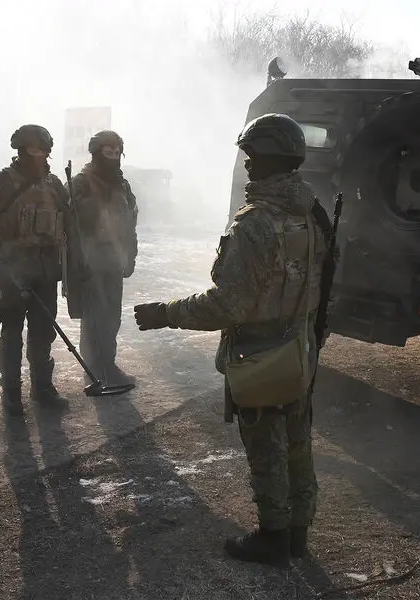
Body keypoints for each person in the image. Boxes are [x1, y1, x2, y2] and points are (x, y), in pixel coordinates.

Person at [133, 114, 332, 566]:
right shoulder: (310, 212)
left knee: (267, 446)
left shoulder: (256, 223)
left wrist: (167, 313)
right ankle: (297, 534)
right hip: (300, 344)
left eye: (252, 156)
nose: (247, 166)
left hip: (261, 349)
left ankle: (273, 537)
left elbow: (229, 305)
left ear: (265, 159)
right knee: (298, 440)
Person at [0, 124, 69, 414]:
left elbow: (67, 224)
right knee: (12, 332)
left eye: (44, 151)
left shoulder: (55, 185)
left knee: (43, 333)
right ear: (20, 150)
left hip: (45, 272)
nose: (40, 155)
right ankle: (12, 391)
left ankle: (42, 387)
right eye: (34, 150)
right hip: (11, 274)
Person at [69, 130, 138, 386]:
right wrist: (77, 264)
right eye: (108, 153)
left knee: (112, 318)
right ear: (97, 154)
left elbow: (130, 223)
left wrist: (130, 256)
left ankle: (107, 364)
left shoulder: (122, 185)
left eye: (117, 152)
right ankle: (94, 370)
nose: (114, 157)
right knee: (94, 319)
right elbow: (69, 230)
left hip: (114, 262)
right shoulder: (80, 183)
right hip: (90, 263)